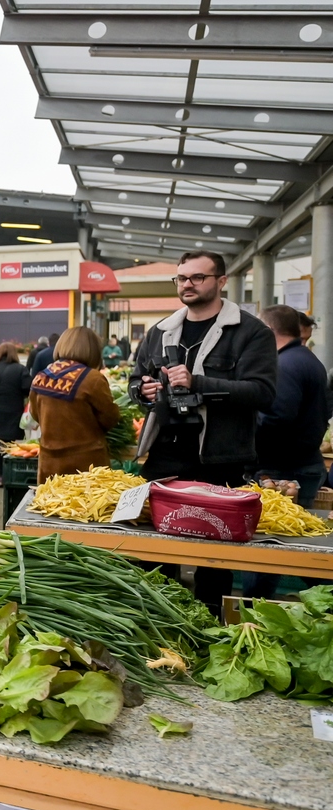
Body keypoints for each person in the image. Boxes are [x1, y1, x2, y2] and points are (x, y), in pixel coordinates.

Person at [131, 249, 277, 611]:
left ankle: (210, 632)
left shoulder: (250, 332)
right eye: (182, 278)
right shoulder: (161, 331)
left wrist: (198, 382)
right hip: (165, 457)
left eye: (198, 277)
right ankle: (161, 626)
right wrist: (143, 391)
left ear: (221, 281)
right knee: (155, 557)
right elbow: (137, 382)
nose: (188, 284)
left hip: (221, 458)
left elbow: (263, 392)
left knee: (215, 561)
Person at [245, 305, 331, 599]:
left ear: (268, 332)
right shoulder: (305, 360)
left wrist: (245, 436)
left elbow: (277, 417)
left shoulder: (285, 365)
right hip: (300, 464)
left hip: (283, 470)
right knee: (292, 546)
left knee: (267, 551)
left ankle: (253, 611)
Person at [31, 326, 120, 481]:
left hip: (49, 463)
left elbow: (35, 413)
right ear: (92, 350)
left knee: (53, 503)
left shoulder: (42, 376)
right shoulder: (93, 378)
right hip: (87, 466)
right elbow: (110, 418)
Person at [0, 342, 31, 486]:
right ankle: (10, 474)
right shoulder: (20, 369)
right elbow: (28, 389)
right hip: (14, 411)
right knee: (11, 444)